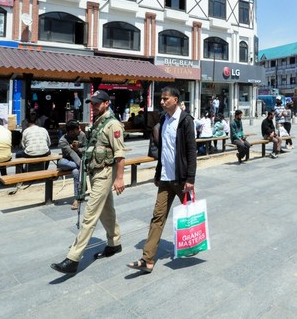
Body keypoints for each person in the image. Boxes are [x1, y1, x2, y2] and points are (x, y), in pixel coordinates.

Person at [51, 90, 126, 275]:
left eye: (97, 103)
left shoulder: (113, 124)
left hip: (105, 173)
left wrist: (120, 178)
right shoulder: (98, 123)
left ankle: (73, 258)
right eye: (92, 103)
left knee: (90, 215)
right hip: (95, 172)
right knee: (106, 211)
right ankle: (114, 242)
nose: (94, 106)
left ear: (106, 103)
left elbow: (120, 154)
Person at [127, 87, 197, 274]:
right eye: (161, 98)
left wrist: (190, 178)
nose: (162, 101)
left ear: (175, 99)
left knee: (189, 215)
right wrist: (158, 174)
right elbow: (163, 151)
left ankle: (192, 245)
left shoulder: (185, 121)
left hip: (182, 179)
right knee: (157, 217)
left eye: (165, 98)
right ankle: (147, 259)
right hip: (166, 179)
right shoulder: (164, 120)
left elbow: (191, 151)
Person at [57, 120, 87, 210]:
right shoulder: (63, 140)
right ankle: (83, 180)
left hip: (79, 161)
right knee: (60, 162)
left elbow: (86, 148)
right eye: (78, 128)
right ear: (71, 131)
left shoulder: (82, 135)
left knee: (75, 172)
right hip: (69, 162)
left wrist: (78, 150)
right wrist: (81, 165)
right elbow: (71, 154)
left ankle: (76, 199)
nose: (80, 129)